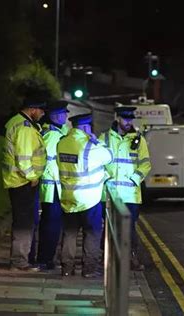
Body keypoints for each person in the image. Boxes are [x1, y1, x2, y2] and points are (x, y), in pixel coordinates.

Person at [57, 113, 112, 278]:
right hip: (89, 200)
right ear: (86, 128)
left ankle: (67, 268)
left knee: (70, 234)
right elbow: (109, 157)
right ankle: (89, 269)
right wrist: (96, 141)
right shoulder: (90, 145)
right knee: (92, 234)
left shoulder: (62, 143)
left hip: (68, 197)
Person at [99, 106, 151, 271]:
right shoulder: (105, 138)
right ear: (117, 118)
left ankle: (131, 259)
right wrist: (106, 178)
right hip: (109, 194)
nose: (128, 122)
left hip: (130, 195)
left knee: (130, 230)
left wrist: (134, 179)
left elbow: (145, 164)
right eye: (125, 118)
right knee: (110, 228)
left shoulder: (138, 140)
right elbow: (97, 162)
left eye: (130, 119)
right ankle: (107, 259)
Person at [2, 93, 47, 272]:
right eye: (41, 110)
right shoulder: (25, 128)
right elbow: (24, 158)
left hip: (16, 181)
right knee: (24, 223)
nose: (43, 114)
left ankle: (20, 260)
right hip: (23, 182)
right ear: (33, 109)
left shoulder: (15, 121)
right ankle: (20, 262)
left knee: (23, 220)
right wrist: (32, 177)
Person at [37, 100, 69, 269]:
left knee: (51, 225)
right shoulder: (52, 136)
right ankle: (45, 259)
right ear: (55, 116)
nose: (66, 116)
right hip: (52, 188)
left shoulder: (57, 132)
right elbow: (49, 163)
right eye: (64, 113)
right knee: (51, 226)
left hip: (54, 188)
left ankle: (46, 258)